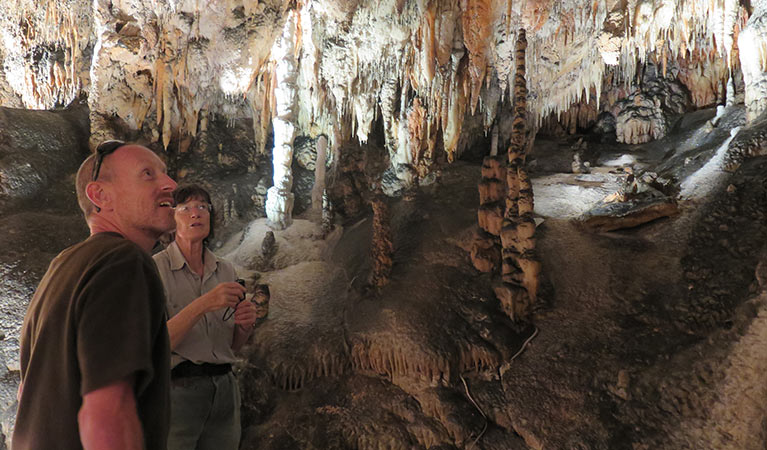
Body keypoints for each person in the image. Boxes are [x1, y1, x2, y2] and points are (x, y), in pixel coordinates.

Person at [13, 141, 177, 450]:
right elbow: (106, 411)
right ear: (100, 195)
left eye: (165, 174)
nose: (170, 184)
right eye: (148, 174)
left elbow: (27, 392)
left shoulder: (62, 266)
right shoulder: (122, 260)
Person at [153, 184, 267, 450]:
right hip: (177, 390)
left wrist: (244, 325)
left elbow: (231, 347)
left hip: (225, 389)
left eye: (203, 207)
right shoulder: (155, 269)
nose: (197, 214)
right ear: (172, 218)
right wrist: (205, 303)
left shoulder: (224, 270)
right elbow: (157, 346)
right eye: (187, 208)